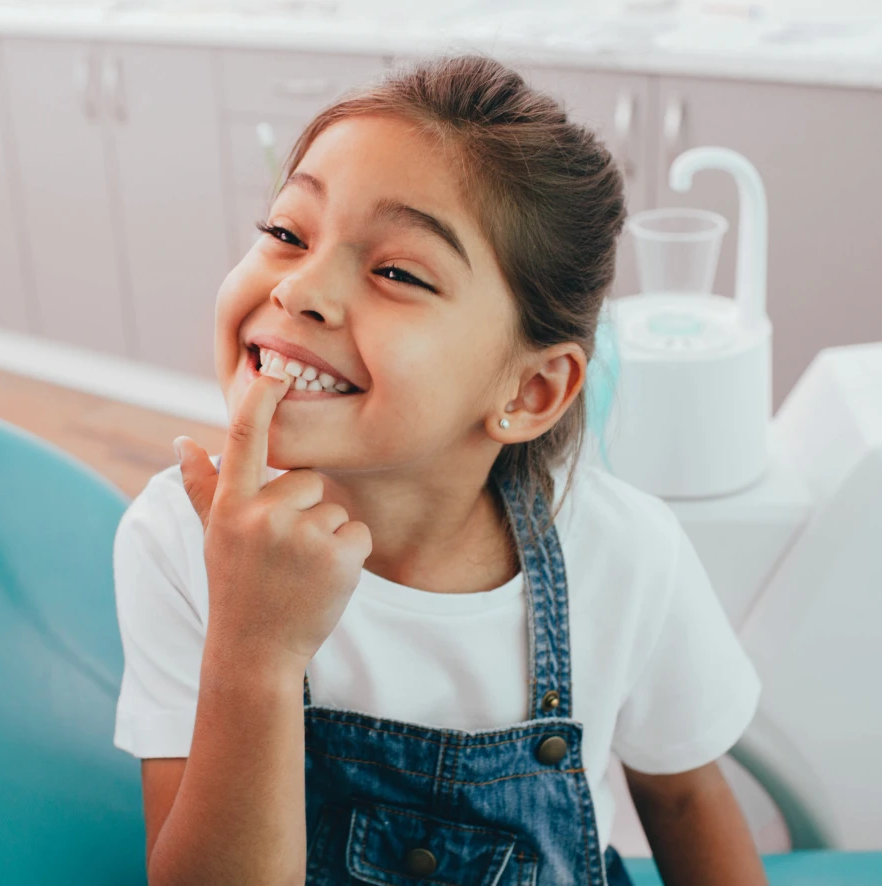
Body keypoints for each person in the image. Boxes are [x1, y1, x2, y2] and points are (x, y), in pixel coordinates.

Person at [112, 54, 766, 886]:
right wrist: (254, 651)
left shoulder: (628, 553)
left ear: (530, 391)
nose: (301, 289)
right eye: (286, 232)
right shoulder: (177, 539)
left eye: (396, 271)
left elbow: (683, 801)